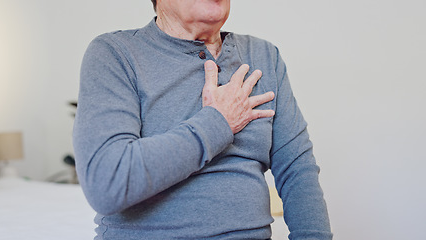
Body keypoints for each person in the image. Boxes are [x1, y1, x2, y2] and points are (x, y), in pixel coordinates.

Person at [73, 0, 332, 239]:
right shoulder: (115, 54)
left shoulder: (264, 56)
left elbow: (298, 171)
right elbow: (107, 183)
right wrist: (218, 122)